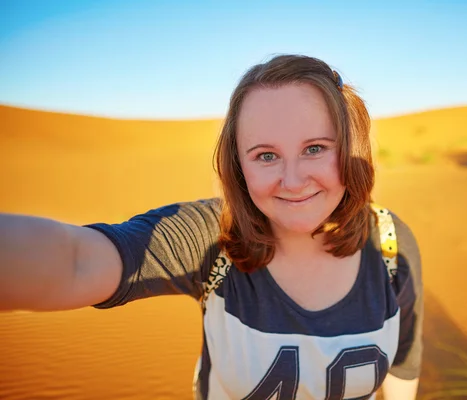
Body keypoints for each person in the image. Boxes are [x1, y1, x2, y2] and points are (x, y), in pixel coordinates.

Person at [0, 54, 423, 399]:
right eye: (266, 155)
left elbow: (404, 359)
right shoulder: (211, 237)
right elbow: (76, 261)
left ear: (351, 149)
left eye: (315, 148)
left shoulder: (389, 242)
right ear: (238, 166)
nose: (292, 181)